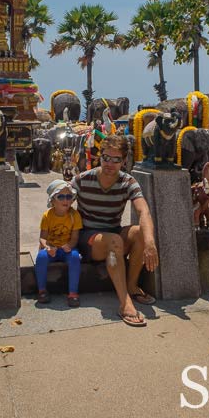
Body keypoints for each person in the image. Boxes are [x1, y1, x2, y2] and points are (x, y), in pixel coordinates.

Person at [71, 135, 159, 327]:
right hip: (90, 239)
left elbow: (143, 210)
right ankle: (125, 303)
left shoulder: (128, 182)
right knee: (114, 241)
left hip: (113, 234)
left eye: (116, 159)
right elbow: (59, 206)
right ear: (99, 157)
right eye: (106, 158)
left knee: (139, 232)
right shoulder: (82, 180)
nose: (110, 163)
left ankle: (131, 285)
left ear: (124, 161)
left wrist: (150, 242)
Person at [36, 179, 83, 307]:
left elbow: (74, 238)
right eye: (61, 197)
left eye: (69, 197)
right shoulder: (48, 215)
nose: (65, 200)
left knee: (74, 257)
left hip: (66, 247)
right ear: (52, 200)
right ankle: (42, 290)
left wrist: (70, 246)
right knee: (41, 257)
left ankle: (73, 293)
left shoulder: (75, 215)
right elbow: (42, 237)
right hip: (52, 247)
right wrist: (47, 246)